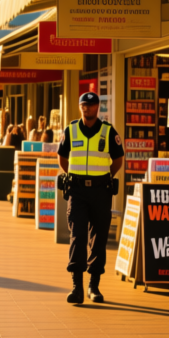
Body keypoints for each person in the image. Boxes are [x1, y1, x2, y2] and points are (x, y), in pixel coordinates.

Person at [57, 92, 125, 305]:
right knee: (78, 236)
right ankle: (77, 286)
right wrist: (74, 177)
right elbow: (62, 157)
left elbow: (118, 159)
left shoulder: (108, 131)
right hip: (77, 191)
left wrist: (105, 177)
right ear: (80, 107)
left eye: (92, 105)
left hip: (100, 192)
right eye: (84, 105)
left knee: (99, 238)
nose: (88, 108)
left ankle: (93, 286)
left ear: (98, 107)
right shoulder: (70, 130)